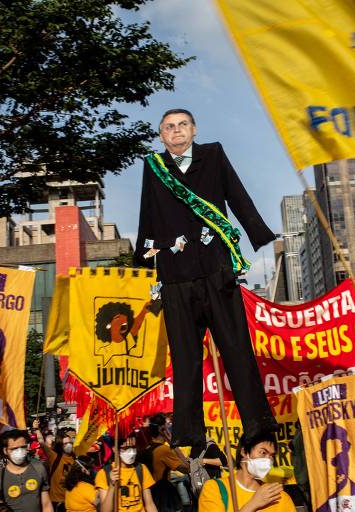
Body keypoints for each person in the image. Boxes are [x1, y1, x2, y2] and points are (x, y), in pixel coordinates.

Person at [134, 108, 278, 450]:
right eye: (169, 127)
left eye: (182, 124)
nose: (176, 131)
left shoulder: (213, 154)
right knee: (185, 359)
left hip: (216, 268)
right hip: (175, 275)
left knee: (237, 348)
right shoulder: (153, 166)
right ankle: (189, 435)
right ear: (161, 135)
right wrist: (143, 259)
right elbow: (148, 212)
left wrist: (258, 233)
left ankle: (257, 423)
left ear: (194, 129)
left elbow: (236, 193)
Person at [198, 432, 294, 511]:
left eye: (271, 456)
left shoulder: (279, 497)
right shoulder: (214, 489)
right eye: (263, 453)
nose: (268, 460)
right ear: (244, 452)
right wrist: (253, 504)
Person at [0, 430, 53, 512]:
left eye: (23, 447)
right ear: (5, 450)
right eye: (14, 449)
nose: (19, 451)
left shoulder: (39, 468)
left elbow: (46, 504)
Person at [95, 435, 157, 512]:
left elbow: (149, 504)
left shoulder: (141, 468)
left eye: (133, 447)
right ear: (115, 449)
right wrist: (111, 486)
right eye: (126, 448)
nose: (131, 452)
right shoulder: (104, 473)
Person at [142, 415, 188, 511]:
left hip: (150, 494)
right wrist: (173, 443)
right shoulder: (164, 450)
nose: (169, 427)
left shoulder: (147, 447)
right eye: (167, 425)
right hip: (163, 497)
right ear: (161, 429)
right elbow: (187, 469)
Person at [34, 420, 74, 511]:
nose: (69, 445)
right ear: (60, 445)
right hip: (56, 501)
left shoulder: (75, 457)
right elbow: (41, 442)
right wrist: (36, 429)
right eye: (65, 443)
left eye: (70, 443)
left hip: (71, 500)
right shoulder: (54, 456)